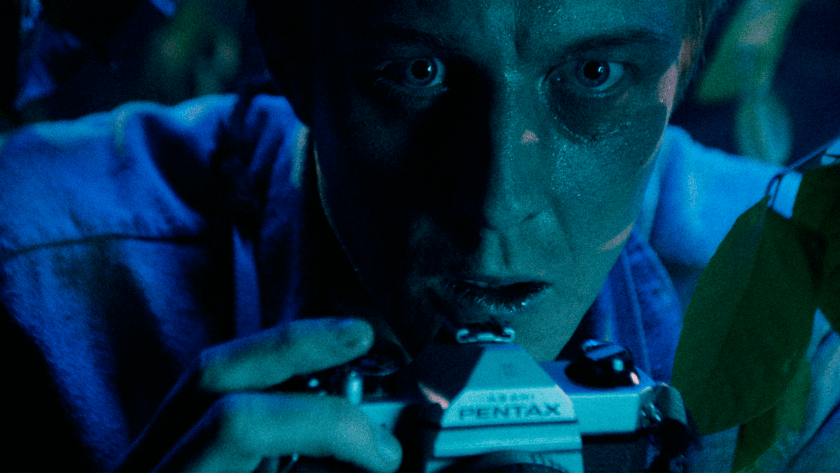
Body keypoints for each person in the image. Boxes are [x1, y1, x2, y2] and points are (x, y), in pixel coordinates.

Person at [0, 0, 837, 471]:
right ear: (290, 55)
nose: (498, 202)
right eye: (417, 71)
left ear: (686, 58)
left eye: (595, 74)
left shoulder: (812, 319)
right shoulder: (30, 285)